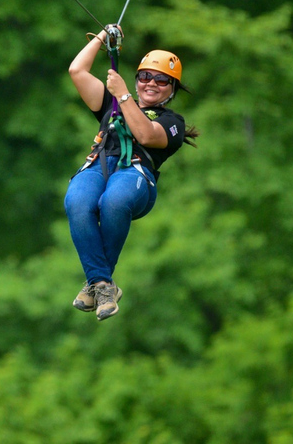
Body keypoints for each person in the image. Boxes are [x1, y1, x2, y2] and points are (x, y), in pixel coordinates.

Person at [64, 25, 199, 321]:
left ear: (172, 88)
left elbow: (147, 135)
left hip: (135, 176)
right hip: (100, 164)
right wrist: (103, 37)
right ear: (138, 79)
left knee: (112, 202)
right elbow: (77, 71)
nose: (152, 83)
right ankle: (101, 284)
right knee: (76, 201)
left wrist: (123, 95)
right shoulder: (109, 105)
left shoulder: (172, 121)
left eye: (162, 80)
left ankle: (98, 281)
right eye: (145, 76)